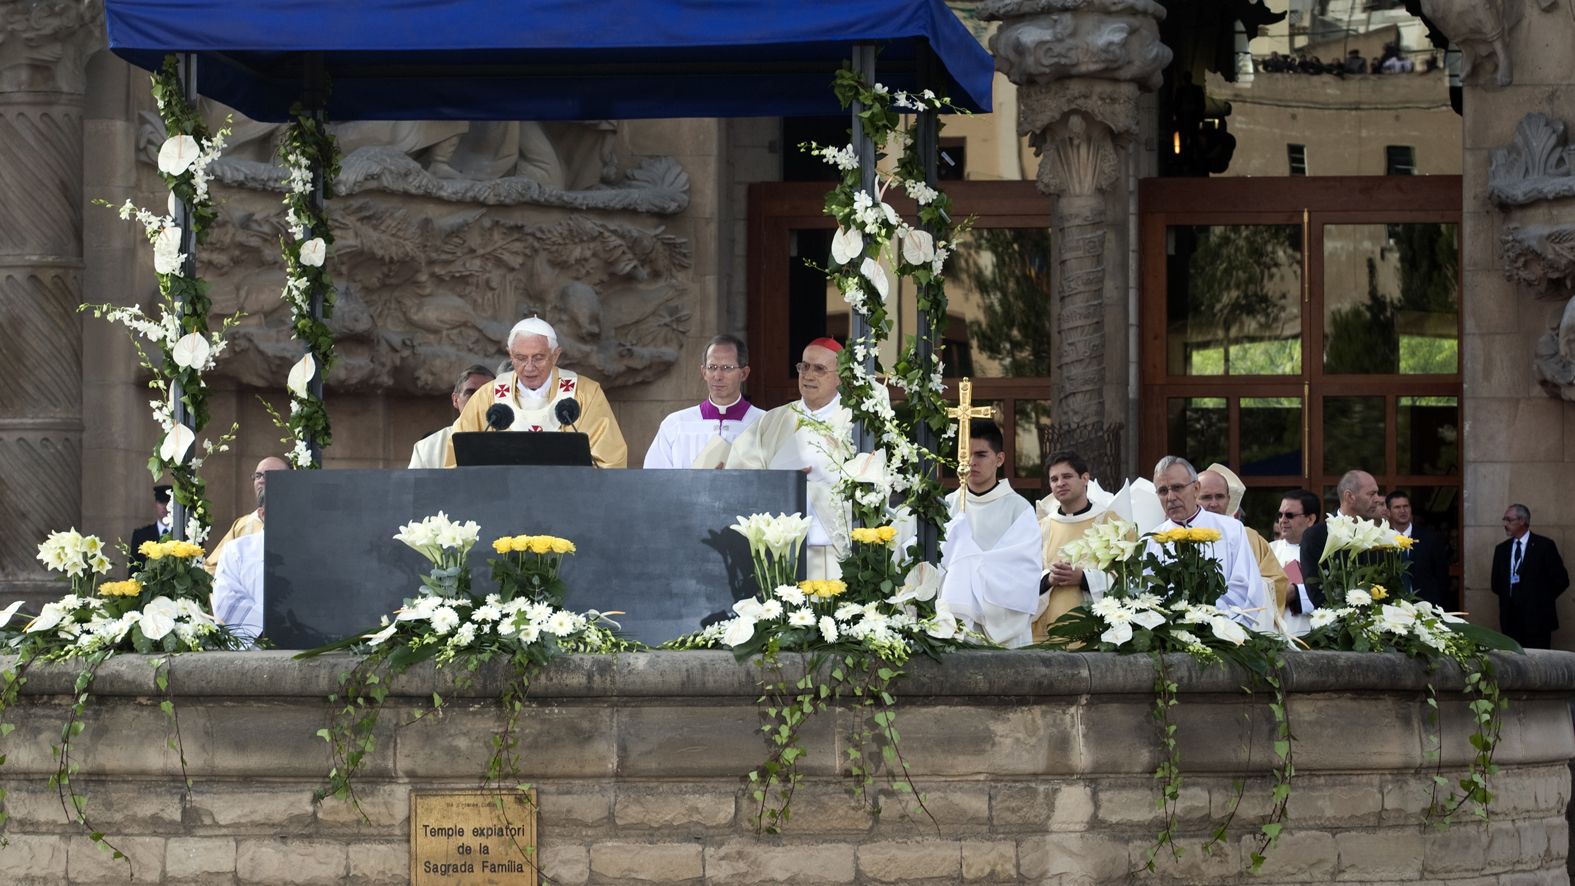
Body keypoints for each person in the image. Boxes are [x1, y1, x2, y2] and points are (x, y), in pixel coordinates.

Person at [725, 338, 852, 578]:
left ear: (840, 376)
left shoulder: (856, 421)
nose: (808, 375)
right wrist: (782, 482)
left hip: (835, 549)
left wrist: (822, 479)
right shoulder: (774, 420)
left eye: (819, 369)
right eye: (804, 367)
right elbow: (742, 472)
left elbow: (871, 480)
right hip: (782, 549)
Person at [444, 316, 628, 469]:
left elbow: (610, 462)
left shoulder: (585, 394)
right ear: (510, 355)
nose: (529, 367)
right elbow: (458, 458)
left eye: (538, 358)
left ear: (555, 355)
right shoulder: (486, 398)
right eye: (521, 358)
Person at [939, 421, 1044, 648]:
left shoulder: (1019, 509)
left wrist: (968, 569)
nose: (971, 462)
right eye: (966, 454)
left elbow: (1023, 572)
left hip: (1001, 626)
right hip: (952, 625)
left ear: (999, 459)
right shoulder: (947, 506)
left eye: (981, 455)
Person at [1146, 456, 1265, 623]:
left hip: (1222, 631)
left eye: (1178, 487)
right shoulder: (1152, 540)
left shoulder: (1232, 530)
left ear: (1196, 488)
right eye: (1163, 491)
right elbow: (1146, 594)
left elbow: (1245, 587)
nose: (1171, 497)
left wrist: (1205, 619)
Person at [1034, 450, 1123, 640]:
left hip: (1095, 633)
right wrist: (1049, 578)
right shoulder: (1041, 527)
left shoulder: (1112, 524)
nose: (1060, 483)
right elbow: (1023, 578)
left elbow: (1128, 580)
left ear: (1085, 479)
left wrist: (1083, 578)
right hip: (1046, 631)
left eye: (1067, 476)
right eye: (1054, 479)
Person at [643, 334, 764, 469]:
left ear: (744, 373)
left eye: (727, 368)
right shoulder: (676, 425)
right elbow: (656, 480)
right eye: (712, 367)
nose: (717, 376)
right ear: (703, 372)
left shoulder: (765, 424)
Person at [1200, 464, 1289, 632]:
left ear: (1228, 500)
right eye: (1206, 497)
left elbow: (1277, 581)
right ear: (1194, 498)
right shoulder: (1181, 534)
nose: (1213, 503)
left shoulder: (1249, 537)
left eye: (1219, 497)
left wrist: (1251, 587)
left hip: (1247, 625)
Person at [1297, 469, 1383, 608]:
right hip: (1335, 624)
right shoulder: (1316, 536)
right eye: (1371, 494)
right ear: (1349, 496)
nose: (1378, 499)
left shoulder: (1378, 534)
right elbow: (1316, 590)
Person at [1491, 504, 1569, 649]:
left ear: (1522, 521)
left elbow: (1561, 580)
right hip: (1510, 620)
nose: (1505, 524)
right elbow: (1496, 584)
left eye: (1509, 520)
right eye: (1505, 520)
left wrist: (1540, 600)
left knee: (1539, 663)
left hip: (1538, 620)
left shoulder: (1544, 546)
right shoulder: (1502, 549)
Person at [206, 456, 288, 574]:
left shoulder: (300, 523)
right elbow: (212, 568)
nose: (260, 480)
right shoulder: (242, 526)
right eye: (257, 476)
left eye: (267, 475)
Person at [409, 364, 495, 469]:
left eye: (486, 394)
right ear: (455, 400)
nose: (478, 400)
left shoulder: (512, 445)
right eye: (471, 393)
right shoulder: (427, 449)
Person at [212, 488, 266, 648]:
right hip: (252, 647)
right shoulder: (236, 550)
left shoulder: (311, 550)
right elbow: (227, 598)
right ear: (263, 514)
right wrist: (268, 626)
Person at [1386, 490, 1453, 609]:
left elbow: (1442, 576)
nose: (1403, 511)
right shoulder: (1383, 540)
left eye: (1406, 506)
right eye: (1397, 507)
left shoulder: (1430, 538)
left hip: (1427, 607)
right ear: (1388, 512)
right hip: (1393, 608)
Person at [1269, 489, 1322, 634]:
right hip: (1271, 634)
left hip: (1309, 635)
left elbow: (1331, 594)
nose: (1282, 520)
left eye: (1289, 515)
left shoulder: (1324, 553)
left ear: (1310, 519)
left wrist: (1296, 592)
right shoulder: (1267, 550)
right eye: (1280, 515)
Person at [127, 484, 172, 575]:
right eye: (161, 502)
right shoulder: (140, 536)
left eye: (168, 502)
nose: (165, 506)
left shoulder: (184, 534)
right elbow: (133, 573)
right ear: (155, 504)